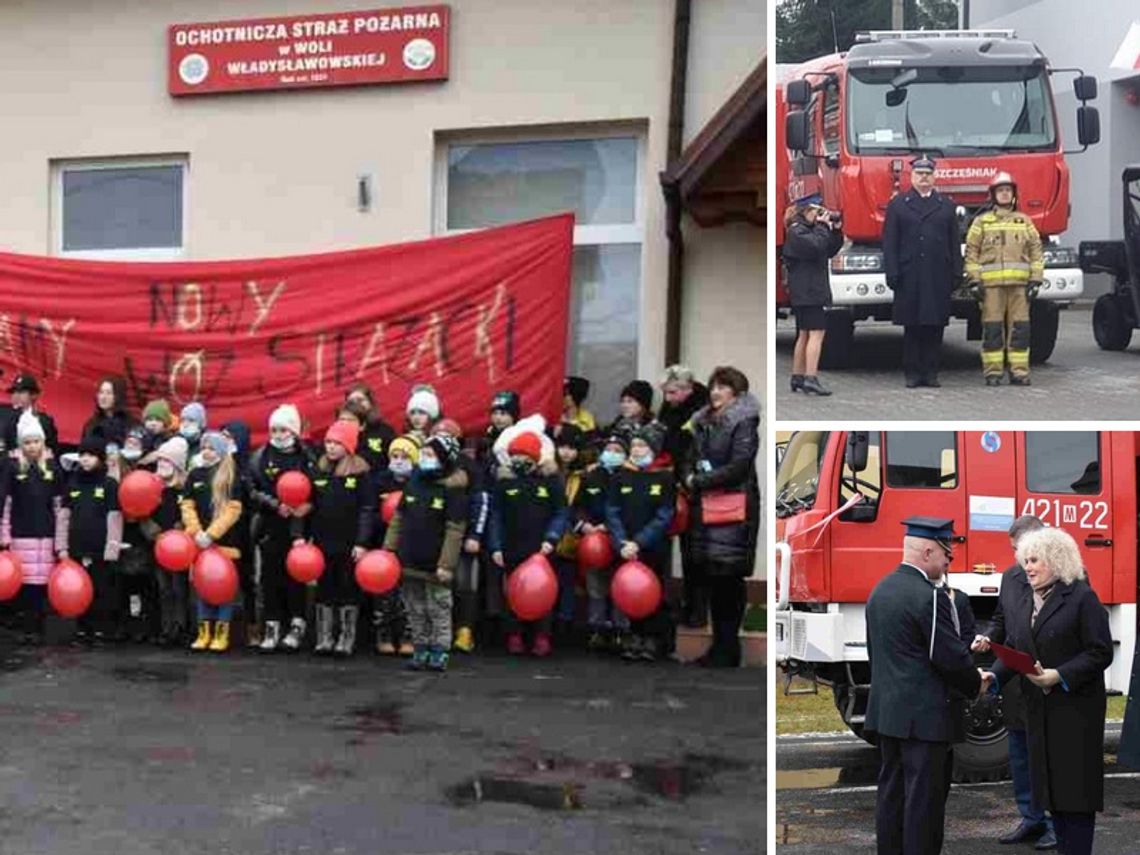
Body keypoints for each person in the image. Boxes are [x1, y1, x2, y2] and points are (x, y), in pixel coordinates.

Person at [981, 527, 1113, 855]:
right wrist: (993, 678)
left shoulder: (1081, 597)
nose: (1028, 567)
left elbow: (1100, 652)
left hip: (1075, 716)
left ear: (1056, 560)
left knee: (1075, 799)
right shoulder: (1028, 598)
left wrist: (1059, 675)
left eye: (1035, 559)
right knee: (1052, 794)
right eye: (1025, 559)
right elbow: (1015, 646)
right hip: (1039, 715)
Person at [864, 517, 984, 855]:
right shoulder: (930, 598)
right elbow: (949, 659)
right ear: (929, 551)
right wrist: (977, 683)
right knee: (924, 806)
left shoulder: (880, 590)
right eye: (947, 554)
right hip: (926, 720)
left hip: (888, 714)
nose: (949, 562)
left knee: (891, 796)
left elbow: (877, 654)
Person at [971, 514, 1057, 850]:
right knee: (1020, 757)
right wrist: (988, 639)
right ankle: (1032, 818)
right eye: (1014, 550)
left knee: (1046, 758)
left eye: (1020, 549)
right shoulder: (1010, 578)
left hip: (1046, 684)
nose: (1017, 558)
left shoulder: (1065, 577)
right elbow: (1001, 621)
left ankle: (1053, 822)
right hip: (1015, 685)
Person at [684, 367, 759, 667]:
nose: (715, 392)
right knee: (713, 578)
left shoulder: (744, 422)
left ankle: (728, 648)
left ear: (736, 393)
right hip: (707, 506)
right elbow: (690, 456)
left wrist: (701, 481)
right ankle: (719, 647)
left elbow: (740, 464)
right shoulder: (702, 422)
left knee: (729, 579)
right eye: (713, 386)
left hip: (734, 508)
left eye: (723, 387)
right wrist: (689, 476)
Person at [383, 433, 468, 672]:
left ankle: (439, 650)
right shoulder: (414, 482)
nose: (424, 459)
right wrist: (389, 550)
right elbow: (398, 518)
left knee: (438, 607)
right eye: (423, 454)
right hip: (409, 558)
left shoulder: (454, 490)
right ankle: (421, 648)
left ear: (444, 459)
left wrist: (446, 565)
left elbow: (455, 530)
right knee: (414, 607)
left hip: (436, 563)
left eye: (430, 455)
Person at [883, 156, 963, 389]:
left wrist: (956, 272)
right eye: (919, 174)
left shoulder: (945, 206)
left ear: (934, 177)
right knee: (912, 326)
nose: (924, 178)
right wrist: (892, 272)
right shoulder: (899, 204)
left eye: (928, 174)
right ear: (912, 176)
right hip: (910, 275)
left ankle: (931, 372)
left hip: (937, 274)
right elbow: (890, 242)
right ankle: (912, 372)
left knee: (935, 326)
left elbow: (953, 243)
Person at [487, 430, 567, 657]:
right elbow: (496, 517)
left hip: (542, 549)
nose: (519, 462)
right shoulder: (504, 483)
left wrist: (552, 538)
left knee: (543, 592)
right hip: (512, 548)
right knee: (513, 592)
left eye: (524, 458)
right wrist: (495, 546)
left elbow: (561, 512)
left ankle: (542, 636)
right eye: (515, 458)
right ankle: (514, 635)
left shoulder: (551, 482)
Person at [964, 172, 1044, 386]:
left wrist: (1036, 280)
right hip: (991, 288)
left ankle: (1019, 372)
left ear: (1014, 194)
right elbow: (971, 252)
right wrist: (974, 281)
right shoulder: (982, 222)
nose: (1005, 194)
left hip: (1019, 287)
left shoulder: (1024, 221)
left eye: (1008, 190)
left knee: (1020, 331)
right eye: (1000, 191)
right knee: (992, 332)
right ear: (993, 195)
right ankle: (993, 373)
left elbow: (1036, 250)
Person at [301, 420, 373, 657]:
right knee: (325, 587)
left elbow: (367, 509)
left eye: (337, 443)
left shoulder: (360, 473)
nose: (330, 447)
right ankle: (324, 636)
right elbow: (308, 506)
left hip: (349, 542)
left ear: (349, 445)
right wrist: (303, 537)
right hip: (323, 541)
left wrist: (362, 542)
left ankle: (346, 636)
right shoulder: (318, 470)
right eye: (328, 442)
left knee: (347, 587)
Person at [247, 405, 314, 653]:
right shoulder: (260, 456)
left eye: (283, 429)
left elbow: (317, 487)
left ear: (294, 431)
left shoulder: (306, 456)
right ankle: (272, 626)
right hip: (270, 525)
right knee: (269, 578)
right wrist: (275, 504)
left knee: (296, 577)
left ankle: (297, 625)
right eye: (274, 429)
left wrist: (306, 505)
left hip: (297, 528)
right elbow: (252, 489)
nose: (278, 433)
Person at [605, 422, 675, 662]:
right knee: (631, 590)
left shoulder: (664, 477)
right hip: (626, 547)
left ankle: (652, 639)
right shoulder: (620, 476)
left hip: (653, 547)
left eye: (642, 445)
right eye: (634, 445)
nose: (636, 450)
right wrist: (622, 541)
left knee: (654, 592)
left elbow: (665, 514)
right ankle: (633, 636)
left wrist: (641, 542)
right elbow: (612, 510)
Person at [0, 412, 66, 644]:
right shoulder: (12, 468)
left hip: (46, 538)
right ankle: (26, 628)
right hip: (20, 537)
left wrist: (61, 541)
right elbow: (6, 504)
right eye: (27, 442)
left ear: (43, 441)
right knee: (25, 584)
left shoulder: (53, 468)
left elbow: (60, 508)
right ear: (21, 444)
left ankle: (39, 628)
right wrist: (5, 536)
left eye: (36, 441)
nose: (32, 446)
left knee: (43, 585)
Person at [182, 431, 244, 653]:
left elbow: (233, 510)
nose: (206, 451)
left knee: (223, 588)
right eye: (203, 447)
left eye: (211, 448)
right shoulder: (195, 474)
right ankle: (203, 632)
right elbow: (187, 505)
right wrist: (196, 532)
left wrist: (211, 534)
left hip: (223, 542)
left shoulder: (230, 475)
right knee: (203, 587)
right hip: (199, 543)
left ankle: (221, 632)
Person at [657, 365, 709, 627]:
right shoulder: (671, 408)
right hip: (671, 483)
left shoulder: (703, 410)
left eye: (672, 392)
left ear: (688, 389)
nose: (667, 398)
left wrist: (688, 479)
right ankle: (676, 605)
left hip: (693, 486)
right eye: (665, 393)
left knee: (695, 553)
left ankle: (698, 609)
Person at [429, 418, 486, 654]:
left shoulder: (470, 467)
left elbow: (480, 501)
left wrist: (475, 534)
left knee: (466, 584)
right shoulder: (429, 465)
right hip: (436, 536)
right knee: (440, 585)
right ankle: (441, 631)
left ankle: (465, 629)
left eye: (448, 438)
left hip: (463, 536)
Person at [63, 434, 123, 646]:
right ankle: (82, 629)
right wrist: (62, 547)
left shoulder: (109, 484)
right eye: (83, 455)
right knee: (80, 588)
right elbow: (64, 516)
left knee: (102, 589)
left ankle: (102, 629)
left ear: (100, 458)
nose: (86, 459)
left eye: (91, 455)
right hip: (77, 547)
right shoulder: (73, 483)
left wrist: (112, 548)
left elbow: (114, 517)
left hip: (101, 548)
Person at [782, 194, 844, 396]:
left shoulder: (806, 231)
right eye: (817, 212)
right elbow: (816, 246)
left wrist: (835, 230)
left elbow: (829, 249)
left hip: (807, 291)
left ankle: (798, 376)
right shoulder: (796, 232)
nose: (820, 216)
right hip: (809, 292)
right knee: (817, 334)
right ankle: (811, 377)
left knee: (804, 333)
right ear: (805, 211)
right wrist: (823, 227)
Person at [575, 433, 630, 652]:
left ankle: (621, 630)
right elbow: (578, 506)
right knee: (595, 585)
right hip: (593, 541)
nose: (613, 454)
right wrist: (584, 524)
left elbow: (631, 508)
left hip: (621, 538)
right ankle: (596, 629)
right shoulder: (591, 477)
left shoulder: (629, 477)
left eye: (618, 451)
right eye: (610, 449)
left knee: (621, 584)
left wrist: (610, 527)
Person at [373, 434, 418, 656]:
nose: (399, 461)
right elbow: (370, 510)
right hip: (383, 544)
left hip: (410, 543)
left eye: (404, 457)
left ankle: (408, 635)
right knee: (385, 592)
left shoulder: (419, 483)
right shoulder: (380, 481)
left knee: (407, 592)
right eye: (395, 456)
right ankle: (384, 633)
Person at [145, 437, 191, 647]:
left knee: (179, 588)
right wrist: (151, 530)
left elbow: (192, 512)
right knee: (163, 588)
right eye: (160, 459)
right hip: (157, 546)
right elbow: (140, 511)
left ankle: (181, 627)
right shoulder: (152, 488)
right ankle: (166, 628)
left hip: (179, 549)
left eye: (168, 460)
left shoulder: (184, 489)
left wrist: (182, 529)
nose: (162, 463)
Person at [552, 424, 586, 638]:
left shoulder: (583, 475)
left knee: (567, 579)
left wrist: (578, 523)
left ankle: (564, 623)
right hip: (550, 533)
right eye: (563, 446)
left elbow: (583, 505)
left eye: (572, 448)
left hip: (572, 535)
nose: (567, 452)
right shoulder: (548, 471)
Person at [0, 374, 59, 456]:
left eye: (21, 392)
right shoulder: (2, 414)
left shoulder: (45, 421)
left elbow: (51, 452)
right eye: (13, 392)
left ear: (34, 395)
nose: (15, 396)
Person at [344, 383, 397, 474]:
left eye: (360, 400)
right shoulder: (341, 430)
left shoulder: (385, 430)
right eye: (351, 402)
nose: (356, 404)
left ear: (371, 403)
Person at [81, 376, 135, 449]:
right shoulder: (91, 423)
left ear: (118, 396)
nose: (103, 397)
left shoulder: (130, 423)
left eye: (109, 393)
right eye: (101, 392)